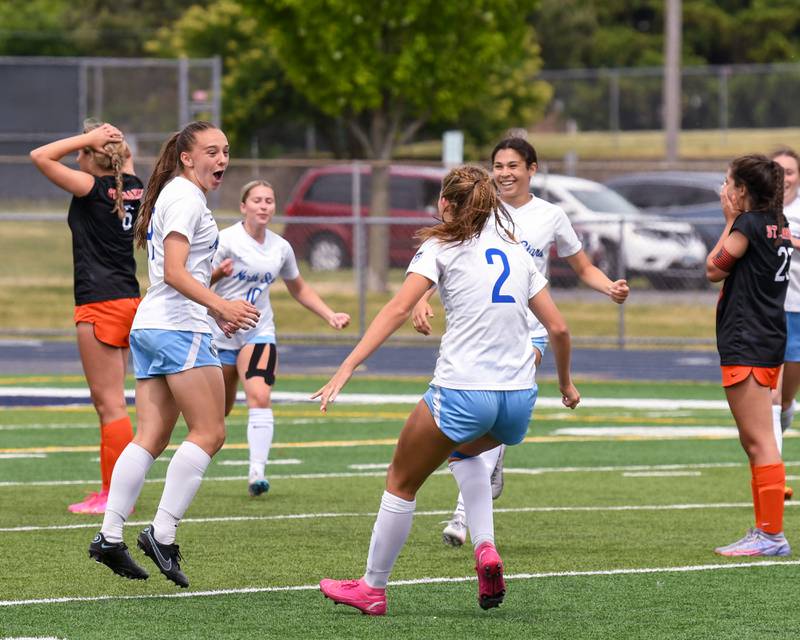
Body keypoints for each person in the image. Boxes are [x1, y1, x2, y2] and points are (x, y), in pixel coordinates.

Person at [313, 165, 580, 616]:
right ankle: (486, 550)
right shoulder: (517, 252)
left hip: (463, 392)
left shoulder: (440, 244)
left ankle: (372, 588)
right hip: (517, 401)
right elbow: (559, 327)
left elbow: (397, 308)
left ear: (446, 204)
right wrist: (566, 383)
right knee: (465, 453)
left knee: (401, 479)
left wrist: (347, 366)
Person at [412, 136, 629, 547]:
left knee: (501, 392)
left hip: (528, 328)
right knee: (489, 407)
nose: (505, 173)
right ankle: (492, 460)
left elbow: (582, 267)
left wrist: (609, 288)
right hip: (482, 329)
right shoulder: (480, 210)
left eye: (514, 165)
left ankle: (462, 515)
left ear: (532, 169)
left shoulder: (550, 215)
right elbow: (441, 258)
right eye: (498, 165)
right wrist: (422, 298)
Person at [87, 121, 260, 587]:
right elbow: (178, 273)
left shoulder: (178, 193)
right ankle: (161, 533)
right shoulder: (185, 197)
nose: (221, 159)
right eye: (211, 151)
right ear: (187, 156)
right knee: (211, 431)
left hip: (155, 325)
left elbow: (178, 276)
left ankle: (109, 536)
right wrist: (221, 304)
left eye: (226, 150)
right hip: (176, 328)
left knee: (151, 436)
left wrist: (214, 309)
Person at [209, 179, 351, 497]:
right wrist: (218, 274)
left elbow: (297, 286)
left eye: (269, 201)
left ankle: (256, 472)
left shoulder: (280, 247)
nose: (263, 206)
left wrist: (329, 314)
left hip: (259, 330)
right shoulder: (225, 241)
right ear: (243, 206)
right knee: (221, 409)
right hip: (220, 331)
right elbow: (197, 281)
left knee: (259, 395)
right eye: (257, 200)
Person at [30, 120, 142, 515]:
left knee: (110, 404)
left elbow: (40, 156)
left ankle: (114, 495)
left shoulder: (92, 188)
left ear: (92, 156)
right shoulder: (134, 184)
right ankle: (113, 490)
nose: (75, 155)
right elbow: (124, 159)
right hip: (127, 298)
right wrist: (107, 143)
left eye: (82, 151)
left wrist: (91, 137)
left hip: (101, 302)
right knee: (112, 403)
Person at [708, 153, 792, 557]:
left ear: (742, 190)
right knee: (753, 441)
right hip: (766, 336)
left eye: (729, 183)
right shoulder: (779, 222)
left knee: (759, 442)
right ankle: (765, 530)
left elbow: (714, 268)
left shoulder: (746, 224)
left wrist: (728, 220)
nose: (725, 190)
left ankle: (772, 535)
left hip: (748, 340)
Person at [770, 148, 800, 497]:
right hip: (773, 313)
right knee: (772, 396)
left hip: (798, 311)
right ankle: (775, 475)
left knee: (787, 399)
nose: (784, 177)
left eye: (790, 171)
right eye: (777, 170)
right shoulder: (761, 211)